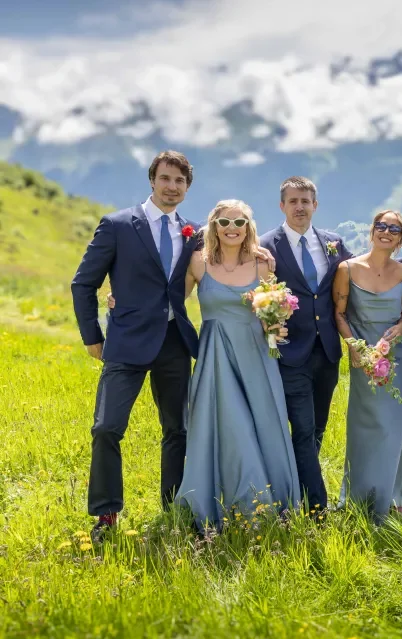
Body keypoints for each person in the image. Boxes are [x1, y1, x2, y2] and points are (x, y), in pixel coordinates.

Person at [71, 150, 275, 542]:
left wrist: (258, 252)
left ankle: (176, 508)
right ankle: (106, 515)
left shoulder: (195, 233)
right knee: (106, 428)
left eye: (180, 181)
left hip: (175, 342)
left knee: (178, 431)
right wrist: (93, 336)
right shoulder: (116, 225)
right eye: (166, 178)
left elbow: (225, 260)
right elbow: (84, 283)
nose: (172, 186)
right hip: (126, 343)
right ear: (153, 180)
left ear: (187, 187)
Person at [174, 200, 301, 531]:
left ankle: (271, 504)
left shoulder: (263, 266)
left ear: (249, 227)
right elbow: (171, 302)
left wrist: (277, 325)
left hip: (256, 354)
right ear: (213, 226)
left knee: (264, 422)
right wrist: (119, 300)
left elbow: (273, 312)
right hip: (216, 354)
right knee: (230, 425)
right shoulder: (198, 263)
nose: (232, 228)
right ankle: (234, 503)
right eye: (225, 222)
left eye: (239, 222)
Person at [258, 177, 352, 517]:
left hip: (327, 351)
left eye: (306, 201)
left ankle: (293, 492)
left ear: (315, 205)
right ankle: (316, 509)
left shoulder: (334, 243)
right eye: (293, 201)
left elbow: (361, 273)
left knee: (317, 427)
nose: (300, 206)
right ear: (282, 205)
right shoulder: (265, 245)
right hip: (289, 351)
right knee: (302, 427)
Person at [333, 210, 402, 523]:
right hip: (362, 354)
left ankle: (397, 494)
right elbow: (339, 314)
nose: (386, 232)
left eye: (394, 229)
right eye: (381, 226)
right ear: (372, 231)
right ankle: (360, 494)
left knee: (397, 425)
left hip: (396, 355)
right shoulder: (347, 269)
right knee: (365, 425)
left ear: (400, 239)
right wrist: (354, 345)